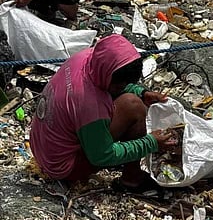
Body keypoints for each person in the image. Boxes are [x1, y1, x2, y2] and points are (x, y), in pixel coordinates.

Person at [30, 34, 177, 194]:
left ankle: (125, 158)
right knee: (133, 107)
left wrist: (142, 93)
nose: (123, 87)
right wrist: (150, 143)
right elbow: (102, 156)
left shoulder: (87, 58)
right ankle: (132, 180)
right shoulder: (89, 103)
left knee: (133, 99)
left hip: (41, 145)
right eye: (121, 84)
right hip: (62, 166)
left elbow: (112, 84)